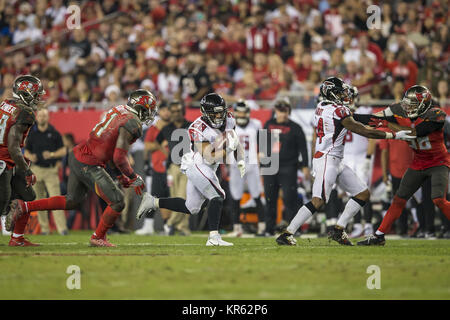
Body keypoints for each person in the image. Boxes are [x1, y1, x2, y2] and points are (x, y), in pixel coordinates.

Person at [5, 89, 156, 247]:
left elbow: (111, 152)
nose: (149, 113)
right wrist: (133, 177)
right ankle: (98, 237)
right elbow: (119, 157)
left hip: (79, 154)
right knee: (118, 201)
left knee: (71, 200)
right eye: (149, 109)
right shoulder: (133, 122)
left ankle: (24, 207)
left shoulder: (120, 110)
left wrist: (120, 176)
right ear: (141, 107)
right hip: (89, 163)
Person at [276, 77, 416, 246]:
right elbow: (362, 130)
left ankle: (338, 229)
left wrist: (379, 118)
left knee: (362, 194)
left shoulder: (322, 106)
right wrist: (392, 134)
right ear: (332, 93)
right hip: (328, 159)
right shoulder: (338, 111)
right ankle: (287, 233)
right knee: (318, 200)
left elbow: (354, 117)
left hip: (334, 159)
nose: (344, 95)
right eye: (340, 92)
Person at [137, 93, 246, 246]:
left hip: (210, 166)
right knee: (218, 195)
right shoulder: (197, 127)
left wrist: (240, 159)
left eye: (221, 111)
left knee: (192, 207)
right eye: (215, 112)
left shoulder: (229, 118)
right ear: (205, 112)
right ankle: (214, 238)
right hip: (198, 163)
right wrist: (228, 150)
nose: (219, 115)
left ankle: (153, 202)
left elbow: (234, 140)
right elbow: (209, 157)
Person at [358, 85, 450, 245]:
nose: (407, 107)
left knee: (438, 200)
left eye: (412, 104)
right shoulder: (398, 109)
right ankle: (379, 236)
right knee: (399, 199)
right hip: (418, 162)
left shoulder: (436, 115)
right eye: (407, 103)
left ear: (423, 105)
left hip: (438, 162)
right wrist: (349, 117)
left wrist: (387, 124)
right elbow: (373, 118)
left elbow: (414, 133)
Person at [1, 75, 44, 246]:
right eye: (37, 94)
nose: (39, 98)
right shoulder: (25, 112)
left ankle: (17, 238)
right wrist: (27, 170)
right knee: (1, 204)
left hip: (9, 159)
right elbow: (12, 146)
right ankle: (8, 208)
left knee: (28, 196)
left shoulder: (6, 103)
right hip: (3, 160)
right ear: (26, 93)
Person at [261, 97, 309, 236]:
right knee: (270, 198)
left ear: (289, 111)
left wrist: (305, 165)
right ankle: (269, 229)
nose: (282, 113)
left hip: (289, 166)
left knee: (290, 199)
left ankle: (293, 229)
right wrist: (262, 162)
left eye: (285, 110)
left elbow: (303, 148)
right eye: (280, 110)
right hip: (270, 165)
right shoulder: (268, 124)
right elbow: (264, 146)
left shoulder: (295, 127)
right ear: (276, 111)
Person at [24, 108, 68, 235]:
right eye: (40, 116)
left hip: (50, 170)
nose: (42, 118)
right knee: (39, 201)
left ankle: (62, 229)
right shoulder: (32, 133)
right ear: (37, 118)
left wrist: (53, 154)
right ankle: (44, 229)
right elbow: (26, 150)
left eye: (45, 116)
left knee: (56, 200)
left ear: (48, 118)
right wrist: (30, 156)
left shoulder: (54, 133)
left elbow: (63, 150)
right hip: (36, 169)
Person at [227, 100, 265, 237]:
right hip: (235, 165)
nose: (241, 114)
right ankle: (237, 228)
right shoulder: (229, 125)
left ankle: (262, 226)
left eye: (244, 112)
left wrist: (262, 157)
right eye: (239, 111)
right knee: (235, 196)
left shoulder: (256, 124)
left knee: (256, 195)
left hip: (252, 164)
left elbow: (264, 143)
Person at [156, 101, 192, 236]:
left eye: (178, 111)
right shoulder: (167, 128)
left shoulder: (191, 126)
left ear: (183, 112)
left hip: (188, 167)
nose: (176, 114)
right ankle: (183, 227)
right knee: (174, 197)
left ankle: (169, 225)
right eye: (174, 111)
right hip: (173, 167)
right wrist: (168, 154)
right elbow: (158, 142)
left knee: (183, 198)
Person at [136, 101, 171, 235]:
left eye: (168, 110)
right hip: (156, 167)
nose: (166, 112)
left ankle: (169, 226)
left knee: (169, 197)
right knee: (153, 196)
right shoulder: (154, 128)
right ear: (159, 112)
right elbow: (147, 146)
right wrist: (160, 144)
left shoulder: (174, 128)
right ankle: (149, 225)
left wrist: (158, 145)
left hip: (172, 167)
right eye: (163, 110)